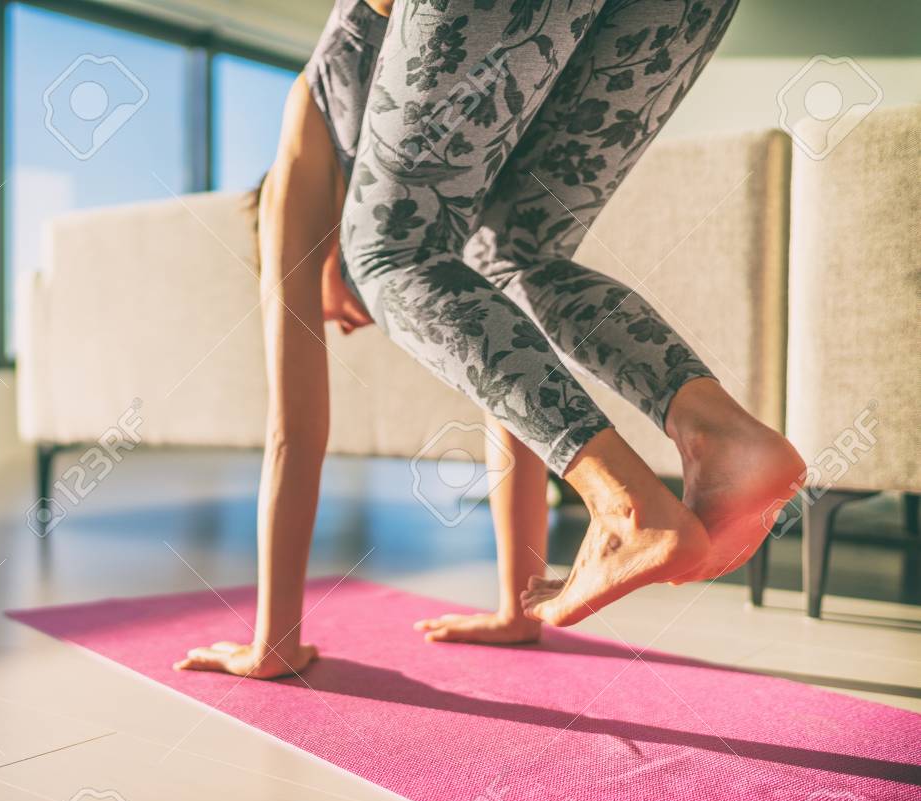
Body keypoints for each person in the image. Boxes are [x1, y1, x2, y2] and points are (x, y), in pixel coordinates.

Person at [176, 0, 803, 679]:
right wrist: (518, 605)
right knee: (512, 256)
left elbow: (292, 433)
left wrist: (273, 642)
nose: (343, 322)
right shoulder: (433, 164)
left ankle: (627, 502)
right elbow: (507, 373)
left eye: (330, 310)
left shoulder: (305, 143)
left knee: (387, 256)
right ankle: (724, 436)